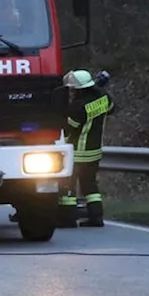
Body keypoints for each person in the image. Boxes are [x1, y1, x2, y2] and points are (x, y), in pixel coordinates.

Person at [58, 69, 115, 228]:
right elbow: (111, 108)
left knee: (67, 184)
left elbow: (68, 128)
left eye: (72, 89)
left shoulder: (78, 106)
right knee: (90, 184)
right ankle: (96, 217)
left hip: (77, 152)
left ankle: (68, 218)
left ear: (78, 89)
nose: (71, 92)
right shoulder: (104, 98)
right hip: (94, 150)